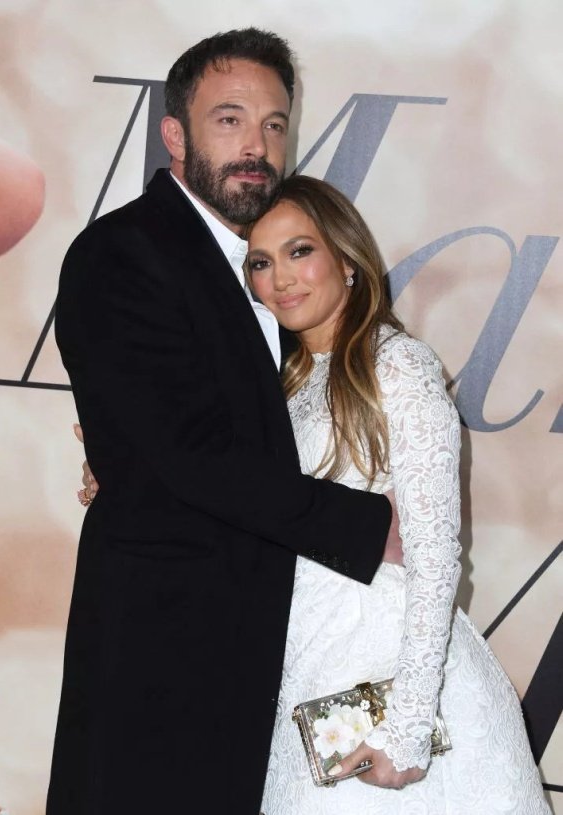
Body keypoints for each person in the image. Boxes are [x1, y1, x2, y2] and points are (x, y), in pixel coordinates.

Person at [49, 29, 396, 815]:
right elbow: (190, 455)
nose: (257, 146)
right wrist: (370, 527)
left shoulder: (272, 270)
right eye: (230, 119)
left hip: (270, 647)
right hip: (163, 659)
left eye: (275, 124)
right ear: (174, 134)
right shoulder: (122, 254)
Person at [240, 175, 550, 814]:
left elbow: (436, 557)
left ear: (347, 261)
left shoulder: (398, 365)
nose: (281, 279)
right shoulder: (281, 385)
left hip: (385, 680)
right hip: (301, 675)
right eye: (261, 262)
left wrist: (407, 728)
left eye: (300, 251)